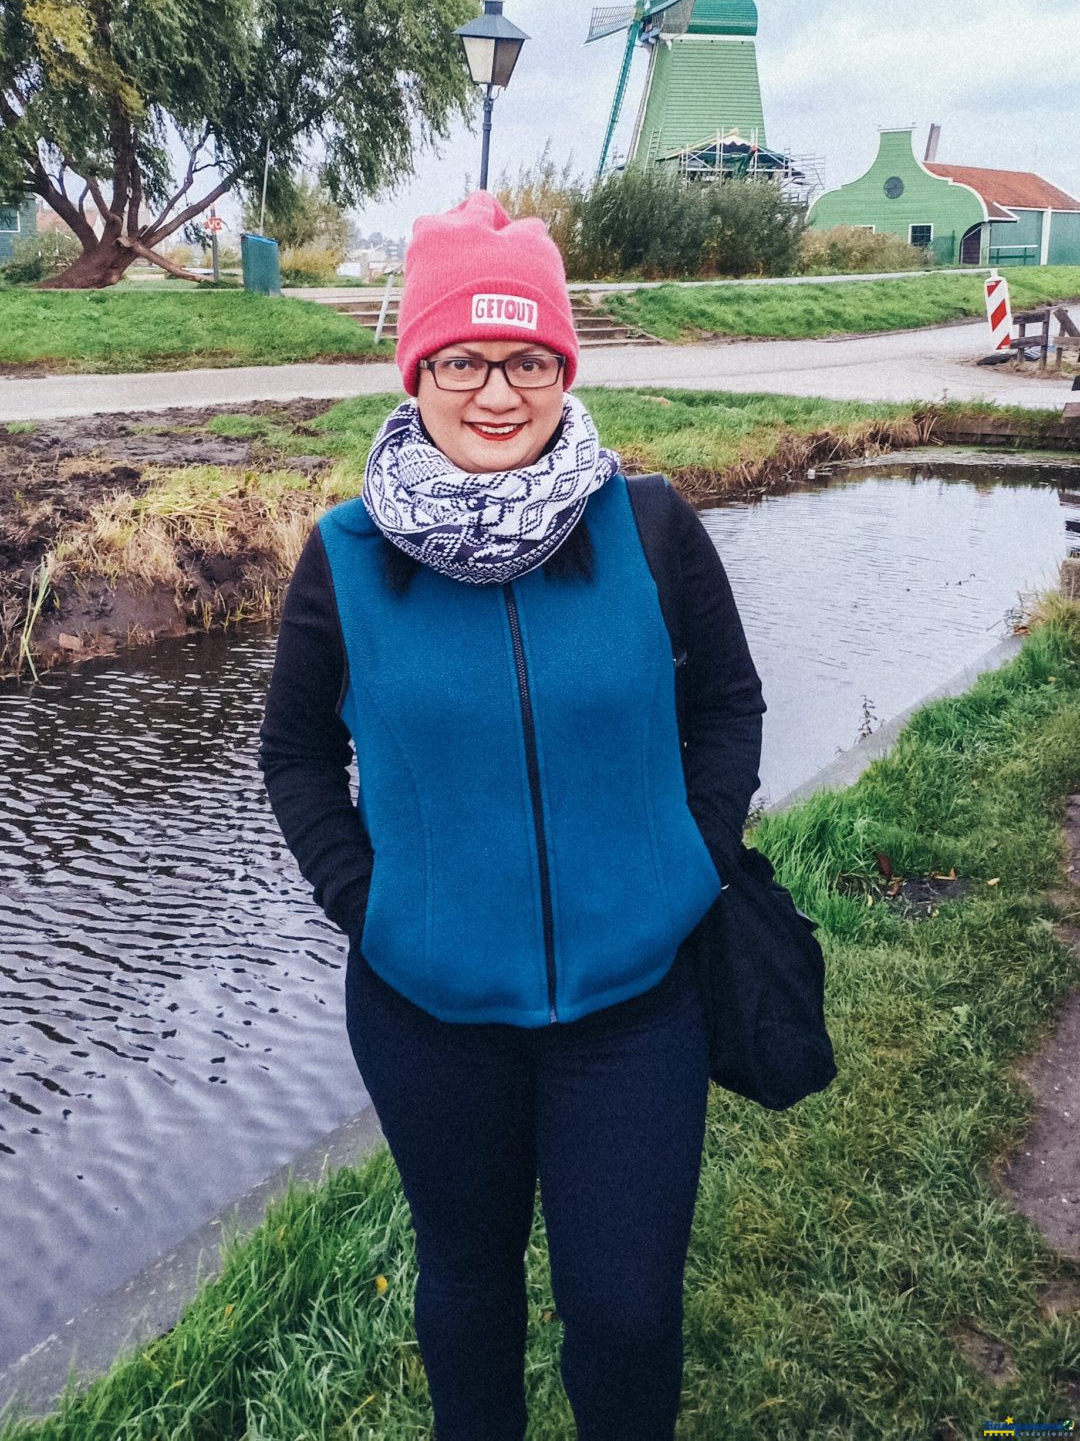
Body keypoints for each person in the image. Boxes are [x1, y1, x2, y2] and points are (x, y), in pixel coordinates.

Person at [260, 190, 765, 1440]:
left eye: (528, 358)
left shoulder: (647, 526)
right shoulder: (347, 554)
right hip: (430, 1016)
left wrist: (691, 859)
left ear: (564, 363)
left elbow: (731, 702)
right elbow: (295, 752)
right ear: (416, 365)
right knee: (467, 1284)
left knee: (630, 1310)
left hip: (634, 1011)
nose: (499, 391)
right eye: (465, 359)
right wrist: (368, 905)